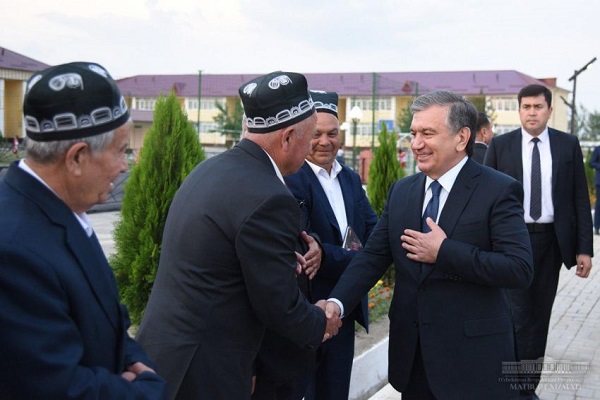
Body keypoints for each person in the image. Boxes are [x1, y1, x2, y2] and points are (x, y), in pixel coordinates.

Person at [136, 71, 341, 400]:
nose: (312, 146)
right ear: (288, 137)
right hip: (206, 370)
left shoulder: (211, 169)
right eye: (311, 134)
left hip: (169, 357)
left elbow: (221, 260)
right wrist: (321, 321)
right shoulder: (270, 196)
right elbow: (279, 306)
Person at [326, 90, 534, 399]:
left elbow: (519, 268)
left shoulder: (499, 190)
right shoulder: (402, 191)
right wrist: (336, 304)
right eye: (413, 133)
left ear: (461, 138)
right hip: (413, 360)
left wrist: (444, 252)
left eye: (428, 133)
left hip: (472, 364)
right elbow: (373, 257)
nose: (416, 144)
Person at [0, 62, 166, 399]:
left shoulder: (61, 211)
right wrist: (146, 390)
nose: (124, 166)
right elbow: (54, 386)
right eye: (120, 151)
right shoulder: (13, 250)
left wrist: (137, 365)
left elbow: (112, 321)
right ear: (77, 158)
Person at [485, 84, 593, 399]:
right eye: (526, 107)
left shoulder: (567, 145)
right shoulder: (501, 145)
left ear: (549, 110)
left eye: (538, 107)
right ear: (519, 110)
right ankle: (514, 386)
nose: (532, 112)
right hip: (511, 242)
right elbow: (485, 198)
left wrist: (584, 248)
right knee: (516, 314)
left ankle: (527, 386)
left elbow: (579, 198)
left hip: (551, 242)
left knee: (539, 316)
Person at [281, 90, 378, 400]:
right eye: (317, 134)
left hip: (344, 308)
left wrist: (331, 254)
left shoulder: (350, 178)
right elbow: (304, 245)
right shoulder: (292, 179)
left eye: (332, 133)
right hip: (308, 312)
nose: (325, 141)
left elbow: (374, 232)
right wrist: (361, 259)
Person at [588, 145, 600, 235]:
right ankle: (596, 227)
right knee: (599, 205)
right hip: (599, 182)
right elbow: (591, 162)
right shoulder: (598, 149)